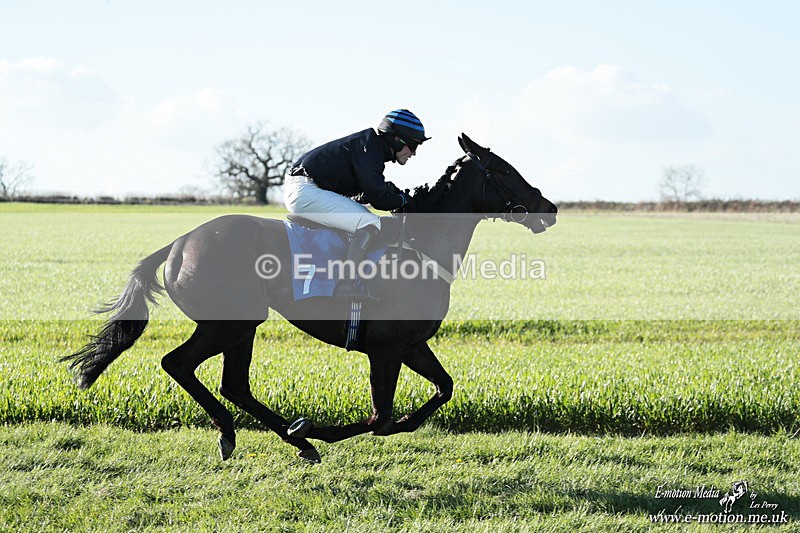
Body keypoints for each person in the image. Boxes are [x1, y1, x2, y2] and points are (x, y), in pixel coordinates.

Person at [284, 109, 430, 299]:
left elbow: (368, 191)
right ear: (396, 139)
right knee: (369, 222)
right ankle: (346, 284)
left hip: (306, 188)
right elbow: (378, 198)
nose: (414, 153)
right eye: (413, 146)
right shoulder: (369, 148)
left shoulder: (370, 146)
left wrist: (393, 193)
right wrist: (403, 200)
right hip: (305, 191)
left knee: (363, 218)